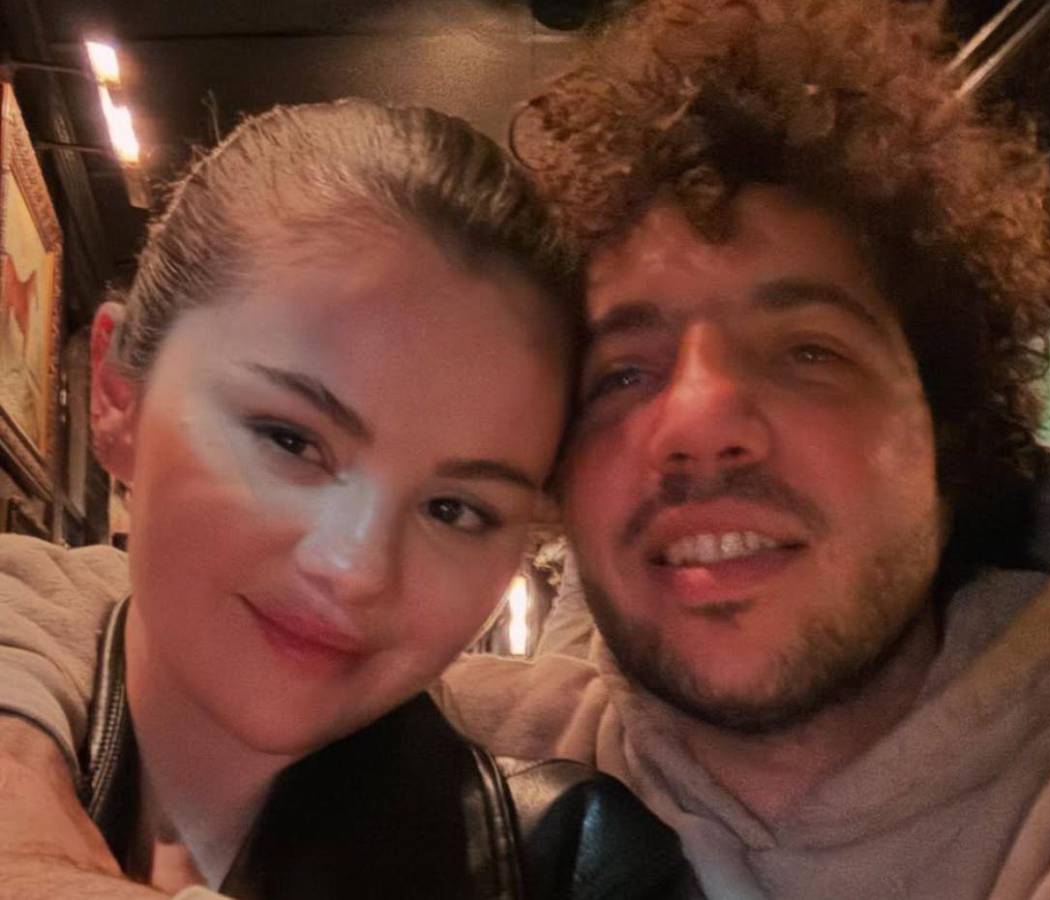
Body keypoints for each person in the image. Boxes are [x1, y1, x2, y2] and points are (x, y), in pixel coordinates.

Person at [5, 0, 1050, 897]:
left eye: (808, 351)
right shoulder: (556, 743)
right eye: (623, 372)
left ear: (950, 423)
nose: (697, 421)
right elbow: (112, 599)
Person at [0, 99, 688, 899]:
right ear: (117, 394)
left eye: (454, 509)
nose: (356, 569)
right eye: (290, 440)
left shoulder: (569, 859)